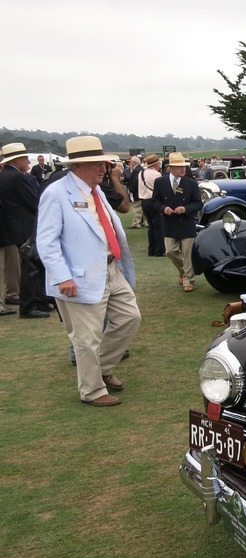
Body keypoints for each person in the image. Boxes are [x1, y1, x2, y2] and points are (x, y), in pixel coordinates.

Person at [35, 136, 141, 407]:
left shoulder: (97, 192)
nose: (103, 169)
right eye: (96, 164)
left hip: (110, 268)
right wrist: (62, 276)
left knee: (129, 317)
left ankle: (102, 368)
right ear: (78, 166)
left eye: (103, 164)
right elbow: (46, 242)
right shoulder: (56, 193)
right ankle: (92, 390)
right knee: (86, 337)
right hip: (78, 276)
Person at [0, 143, 50, 317]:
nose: (28, 161)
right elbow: (35, 201)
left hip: (14, 226)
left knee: (29, 265)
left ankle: (39, 300)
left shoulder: (4, 175)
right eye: (25, 158)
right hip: (24, 225)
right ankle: (30, 304)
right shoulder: (18, 177)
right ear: (18, 160)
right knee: (30, 266)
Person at [153, 152, 202, 291]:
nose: (183, 169)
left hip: (186, 222)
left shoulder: (191, 183)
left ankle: (188, 280)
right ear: (171, 168)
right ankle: (184, 272)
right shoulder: (160, 182)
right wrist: (164, 209)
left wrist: (185, 209)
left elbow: (198, 203)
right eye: (179, 167)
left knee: (187, 254)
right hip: (169, 223)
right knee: (170, 251)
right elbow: (155, 201)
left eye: (184, 166)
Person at [138, 154, 164, 256]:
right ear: (156, 164)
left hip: (144, 201)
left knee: (151, 227)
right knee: (158, 226)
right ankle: (159, 250)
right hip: (154, 201)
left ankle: (151, 249)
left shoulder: (141, 172)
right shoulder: (156, 174)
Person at [125, 156, 146, 228]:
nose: (130, 163)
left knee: (136, 207)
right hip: (142, 191)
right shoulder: (141, 169)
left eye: (130, 162)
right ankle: (143, 221)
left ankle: (136, 223)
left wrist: (130, 189)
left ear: (134, 162)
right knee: (142, 207)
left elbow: (136, 182)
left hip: (137, 192)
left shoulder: (136, 170)